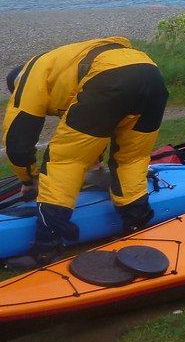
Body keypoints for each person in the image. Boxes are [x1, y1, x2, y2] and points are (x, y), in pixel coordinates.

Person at [3, 37, 169, 269]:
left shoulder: (30, 77)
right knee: (132, 159)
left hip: (108, 78)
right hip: (150, 75)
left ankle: (46, 251)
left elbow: (17, 139)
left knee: (63, 163)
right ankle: (135, 226)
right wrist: (94, 162)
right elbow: (92, 125)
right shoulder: (63, 69)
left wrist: (29, 180)